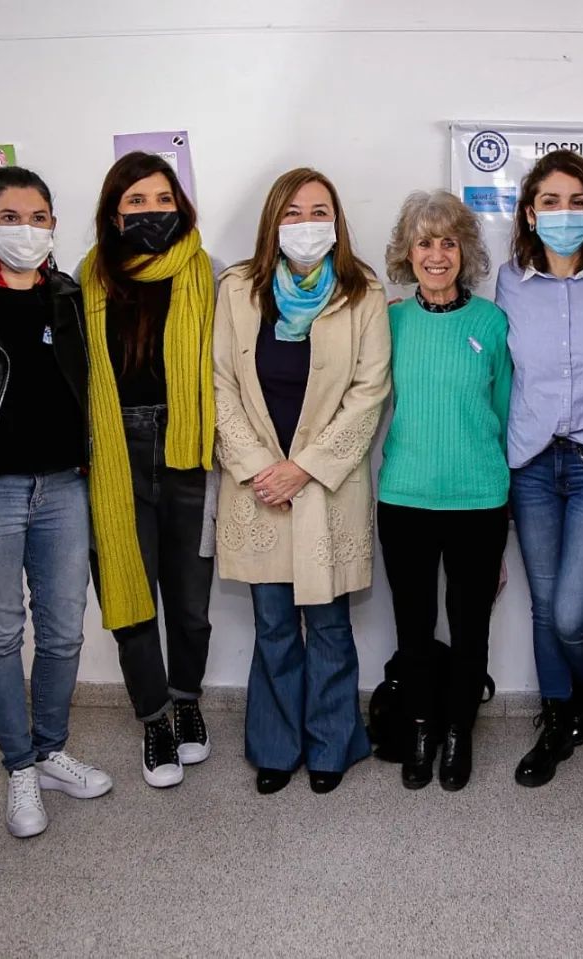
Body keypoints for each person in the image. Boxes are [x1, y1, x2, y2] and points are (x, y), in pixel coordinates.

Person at [0, 166, 112, 838]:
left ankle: (51, 748)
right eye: (11, 216)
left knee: (64, 627)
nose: (26, 230)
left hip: (65, 483)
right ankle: (19, 767)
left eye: (39, 217)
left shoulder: (66, 295)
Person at [212, 167, 390, 795]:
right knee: (275, 627)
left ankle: (332, 745)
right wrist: (264, 468)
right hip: (258, 487)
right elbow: (221, 388)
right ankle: (274, 747)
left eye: (320, 212)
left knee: (332, 627)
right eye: (293, 213)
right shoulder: (237, 290)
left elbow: (370, 392)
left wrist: (304, 469)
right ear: (272, 223)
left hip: (325, 489)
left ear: (337, 223)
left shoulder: (362, 292)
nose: (307, 225)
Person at [494, 149, 583, 788]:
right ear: (529, 212)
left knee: (575, 611)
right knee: (545, 606)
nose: (564, 213)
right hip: (528, 463)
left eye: (577, 201)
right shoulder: (507, 282)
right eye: (550, 201)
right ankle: (559, 714)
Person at [78, 152, 217, 788]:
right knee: (132, 601)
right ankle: (155, 718)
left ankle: (187, 701)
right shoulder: (85, 279)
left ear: (180, 205)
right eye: (137, 201)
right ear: (114, 211)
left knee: (190, 601)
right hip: (115, 451)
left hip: (190, 449)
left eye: (163, 199)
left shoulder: (205, 274)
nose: (152, 211)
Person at [377, 190, 511, 792]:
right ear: (409, 252)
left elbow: (505, 415)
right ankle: (422, 727)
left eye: (449, 242)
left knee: (469, 623)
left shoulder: (491, 321)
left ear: (466, 251)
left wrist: (506, 526)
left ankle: (459, 731)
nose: (437, 254)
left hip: (480, 501)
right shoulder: (390, 321)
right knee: (412, 620)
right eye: (425, 242)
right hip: (404, 497)